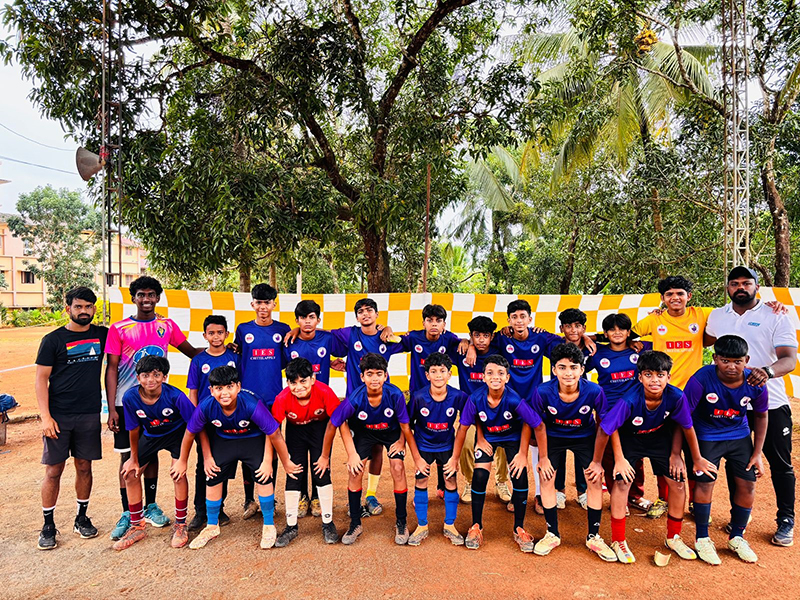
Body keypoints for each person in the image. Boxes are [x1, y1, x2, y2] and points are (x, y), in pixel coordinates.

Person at [586, 350, 717, 564]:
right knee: (622, 482)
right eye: (648, 375)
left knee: (678, 483)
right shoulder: (629, 399)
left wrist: (688, 456)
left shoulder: (676, 396)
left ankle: (673, 537)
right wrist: (607, 461)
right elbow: (606, 429)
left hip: (659, 438)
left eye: (660, 375)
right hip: (630, 439)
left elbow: (686, 426)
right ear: (640, 377)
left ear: (668, 377)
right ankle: (618, 540)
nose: (655, 380)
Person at [705, 266, 798, 547]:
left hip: (771, 403)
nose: (741, 287)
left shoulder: (777, 314)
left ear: (757, 286)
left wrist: (767, 372)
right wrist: (661, 314)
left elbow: (789, 359)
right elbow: (696, 336)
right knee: (738, 463)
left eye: (747, 282)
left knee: (780, 463)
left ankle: (786, 519)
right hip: (731, 404)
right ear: (728, 288)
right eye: (735, 283)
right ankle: (739, 518)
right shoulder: (718, 315)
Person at [105, 276, 200, 541]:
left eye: (151, 295)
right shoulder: (119, 328)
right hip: (127, 401)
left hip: (158, 400)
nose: (146, 299)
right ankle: (128, 513)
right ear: (133, 298)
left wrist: (222, 349)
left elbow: (192, 352)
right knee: (129, 457)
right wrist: (112, 407)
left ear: (157, 298)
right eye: (141, 295)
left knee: (154, 452)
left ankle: (152, 506)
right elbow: (111, 368)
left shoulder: (165, 325)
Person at [170, 365, 301, 549]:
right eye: (219, 388)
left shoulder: (251, 404)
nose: (224, 393)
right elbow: (190, 433)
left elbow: (274, 433)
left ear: (238, 387)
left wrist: (280, 461)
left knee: (263, 474)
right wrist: (188, 460)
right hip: (225, 440)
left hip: (252, 439)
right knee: (213, 473)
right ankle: (212, 526)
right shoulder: (206, 406)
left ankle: (269, 524)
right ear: (211, 390)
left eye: (229, 387)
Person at [445, 355, 546, 553]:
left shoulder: (514, 399)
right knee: (479, 476)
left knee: (519, 475)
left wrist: (523, 453)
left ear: (507, 377)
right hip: (489, 437)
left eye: (500, 373)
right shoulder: (475, 398)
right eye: (490, 373)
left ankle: (519, 528)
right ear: (483, 377)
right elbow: (463, 428)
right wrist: (457, 457)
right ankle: (476, 526)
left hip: (512, 438)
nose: (495, 377)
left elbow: (535, 424)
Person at [683, 335, 768, 564]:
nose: (731, 366)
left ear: (746, 360)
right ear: (715, 359)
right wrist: (694, 456)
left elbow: (761, 416)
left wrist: (757, 453)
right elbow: (684, 417)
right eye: (725, 361)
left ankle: (737, 537)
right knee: (705, 483)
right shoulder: (701, 378)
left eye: (737, 361)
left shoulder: (755, 382)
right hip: (707, 436)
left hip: (739, 436)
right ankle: (702, 538)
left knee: (748, 484)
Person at [35, 286, 108, 550]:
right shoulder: (52, 340)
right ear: (68, 309)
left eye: (88, 306)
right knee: (54, 470)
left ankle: (81, 518)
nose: (84, 311)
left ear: (94, 308)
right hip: (59, 416)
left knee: (84, 467)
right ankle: (48, 524)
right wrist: (46, 417)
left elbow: (131, 340)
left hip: (89, 414)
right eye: (78, 306)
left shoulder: (102, 334)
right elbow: (41, 380)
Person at [529, 343, 615, 561]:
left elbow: (603, 425)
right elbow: (538, 425)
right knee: (546, 477)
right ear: (554, 370)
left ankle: (594, 536)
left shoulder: (594, 391)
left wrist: (597, 461)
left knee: (594, 479)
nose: (568, 373)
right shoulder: (542, 392)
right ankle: (552, 533)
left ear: (582, 370)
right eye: (562, 367)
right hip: (553, 437)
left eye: (574, 367)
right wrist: (543, 458)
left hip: (584, 437)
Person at [325, 353, 419, 546]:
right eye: (369, 374)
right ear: (362, 377)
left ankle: (401, 521)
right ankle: (355, 523)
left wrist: (402, 443)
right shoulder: (355, 398)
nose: (374, 378)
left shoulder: (395, 395)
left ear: (386, 376)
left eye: (379, 374)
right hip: (365, 433)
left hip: (391, 433)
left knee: (398, 468)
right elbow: (336, 422)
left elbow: (405, 425)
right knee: (355, 470)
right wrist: (351, 454)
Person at [112, 356, 196, 550]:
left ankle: (181, 524)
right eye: (145, 375)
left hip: (177, 435)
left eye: (156, 375)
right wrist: (133, 459)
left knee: (178, 474)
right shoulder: (130, 397)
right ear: (138, 378)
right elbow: (133, 429)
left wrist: (183, 459)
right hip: (151, 435)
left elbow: (193, 425)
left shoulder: (175, 396)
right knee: (130, 474)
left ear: (164, 377)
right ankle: (137, 526)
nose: (151, 380)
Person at [233, 283, 291, 520]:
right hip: (247, 398)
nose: (263, 307)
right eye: (259, 302)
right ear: (252, 304)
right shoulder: (243, 329)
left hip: (273, 398)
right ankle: (249, 499)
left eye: (267, 302)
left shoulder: (283, 329)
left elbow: (288, 359)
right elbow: (238, 356)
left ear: (274, 305)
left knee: (272, 446)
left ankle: (270, 496)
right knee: (249, 446)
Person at [283, 299, 345, 518]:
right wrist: (294, 332)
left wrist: (384, 327)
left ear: (318, 320)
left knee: (320, 456)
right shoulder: (289, 342)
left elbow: (353, 341)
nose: (307, 322)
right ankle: (302, 496)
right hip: (296, 411)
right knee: (297, 458)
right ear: (297, 320)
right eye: (303, 318)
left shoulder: (327, 338)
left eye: (311, 317)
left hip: (321, 410)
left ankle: (318, 497)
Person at [584, 313, 652, 512]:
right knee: (608, 455)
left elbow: (660, 337)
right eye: (611, 329)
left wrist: (635, 341)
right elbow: (579, 364)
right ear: (605, 333)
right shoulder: (597, 352)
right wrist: (589, 337)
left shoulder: (640, 350)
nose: (617, 333)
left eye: (621, 329)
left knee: (634, 453)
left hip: (634, 409)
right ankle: (617, 496)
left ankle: (635, 496)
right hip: (607, 410)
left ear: (629, 332)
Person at [271, 358, 341, 546]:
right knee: (294, 474)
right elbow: (273, 432)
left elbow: (336, 424)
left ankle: (328, 523)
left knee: (321, 472)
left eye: (303, 381)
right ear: (287, 383)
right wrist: (285, 461)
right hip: (295, 432)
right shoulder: (282, 398)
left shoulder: (325, 392)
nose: (298, 387)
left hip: (320, 430)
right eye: (293, 383)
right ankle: (291, 526)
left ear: (313, 379)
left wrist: (325, 456)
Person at [406, 352, 468, 546]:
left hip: (447, 445)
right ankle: (422, 526)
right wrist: (417, 458)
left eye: (442, 371)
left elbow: (466, 423)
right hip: (423, 445)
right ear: (427, 375)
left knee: (450, 480)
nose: (438, 375)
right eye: (433, 371)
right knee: (421, 479)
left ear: (450, 374)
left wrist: (455, 458)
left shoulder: (458, 396)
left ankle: (450, 525)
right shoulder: (418, 397)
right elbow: (406, 425)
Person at [449, 316, 512, 506]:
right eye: (477, 336)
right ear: (471, 335)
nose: (481, 340)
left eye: (486, 335)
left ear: (491, 337)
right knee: (466, 444)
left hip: (496, 412)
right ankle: (469, 482)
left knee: (503, 446)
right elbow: (444, 341)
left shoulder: (499, 354)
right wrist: (466, 343)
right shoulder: (462, 353)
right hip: (470, 413)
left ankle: (501, 482)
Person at [185, 315, 238, 530]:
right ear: (204, 335)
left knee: (222, 464)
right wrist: (195, 419)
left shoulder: (234, 357)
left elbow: (240, 387)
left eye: (220, 332)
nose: (216, 337)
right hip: (206, 421)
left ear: (227, 334)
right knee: (203, 464)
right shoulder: (198, 360)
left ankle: (219, 507)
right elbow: (193, 392)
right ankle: (200, 511)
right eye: (211, 333)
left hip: (228, 420)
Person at [553, 309, 591, 510]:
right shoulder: (553, 345)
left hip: (582, 403)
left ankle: (582, 492)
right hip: (557, 401)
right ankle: (559, 491)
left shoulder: (591, 348)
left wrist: (589, 338)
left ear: (584, 328)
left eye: (578, 326)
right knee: (558, 448)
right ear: (562, 328)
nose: (573, 330)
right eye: (568, 326)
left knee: (582, 448)